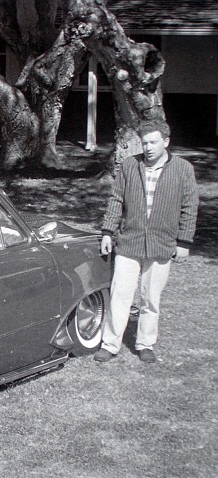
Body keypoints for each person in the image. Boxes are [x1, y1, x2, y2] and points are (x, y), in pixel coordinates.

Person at [94, 120, 198, 363]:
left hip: (162, 244)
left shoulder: (183, 169)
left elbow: (190, 207)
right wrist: (108, 231)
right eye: (144, 143)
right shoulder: (130, 165)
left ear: (166, 142)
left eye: (154, 142)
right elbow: (116, 199)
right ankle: (110, 344)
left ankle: (145, 343)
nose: (148, 147)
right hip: (129, 241)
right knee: (120, 294)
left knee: (151, 298)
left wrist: (184, 242)